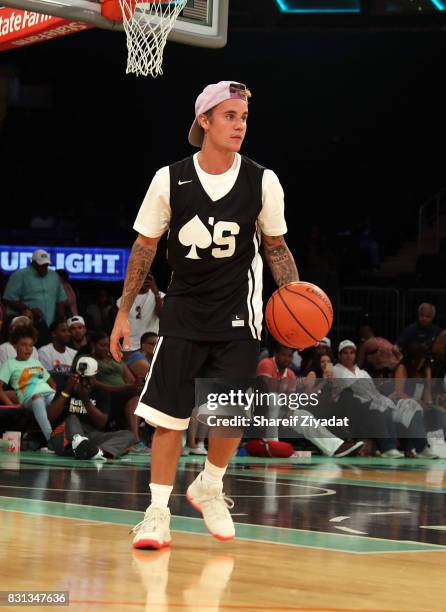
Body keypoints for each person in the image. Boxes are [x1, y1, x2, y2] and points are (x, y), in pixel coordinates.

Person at [110, 80, 300, 549]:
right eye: (230, 116)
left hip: (239, 310)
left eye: (244, 118)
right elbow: (144, 247)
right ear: (205, 121)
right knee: (168, 419)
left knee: (230, 414)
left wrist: (294, 300)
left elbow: (275, 248)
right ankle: (157, 514)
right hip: (185, 312)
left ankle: (210, 484)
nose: (239, 125)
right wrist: (122, 313)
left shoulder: (263, 179)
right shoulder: (169, 178)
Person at [47, 357, 134, 460]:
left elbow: (101, 423)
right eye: (81, 377)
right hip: (65, 436)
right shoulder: (66, 386)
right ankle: (80, 446)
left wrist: (86, 400)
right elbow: (51, 417)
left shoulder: (101, 391)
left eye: (88, 378)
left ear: (95, 375)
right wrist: (67, 391)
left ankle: (98, 452)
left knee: (128, 435)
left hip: (90, 436)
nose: (84, 381)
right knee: (72, 418)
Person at [0, 324, 56, 450]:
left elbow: (52, 384)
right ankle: (51, 441)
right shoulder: (9, 364)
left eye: (31, 345)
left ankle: (70, 439)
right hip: (29, 398)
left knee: (56, 398)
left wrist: (55, 393)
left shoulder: (36, 362)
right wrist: (12, 405)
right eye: (23, 345)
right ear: (15, 345)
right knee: (37, 397)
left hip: (48, 394)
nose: (28, 349)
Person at [2, 249, 67, 329]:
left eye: (46, 265)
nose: (44, 267)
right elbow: (9, 299)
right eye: (41, 265)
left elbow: (59, 301)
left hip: (50, 325)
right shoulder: (19, 275)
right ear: (33, 262)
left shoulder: (54, 276)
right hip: (25, 325)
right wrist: (29, 310)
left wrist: (62, 319)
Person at [115, 271, 164, 359]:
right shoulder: (124, 299)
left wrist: (155, 292)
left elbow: (162, 315)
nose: (144, 280)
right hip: (130, 347)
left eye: (147, 277)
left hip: (152, 345)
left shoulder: (160, 296)